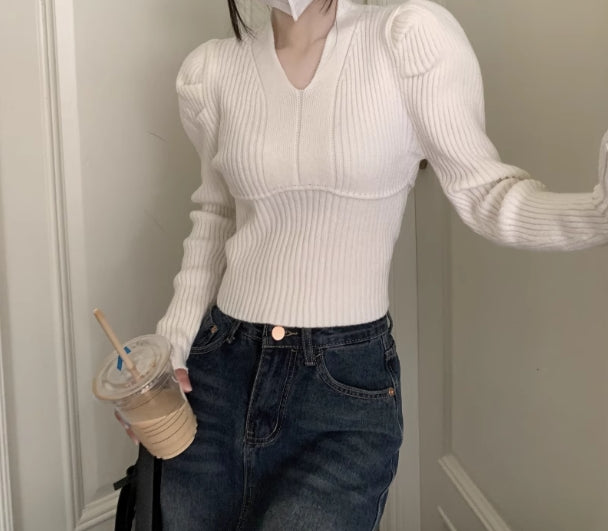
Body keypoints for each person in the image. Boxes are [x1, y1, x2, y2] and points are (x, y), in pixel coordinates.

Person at [116, 0, 608, 528]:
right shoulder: (212, 70)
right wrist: (169, 350)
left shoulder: (406, 39)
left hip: (342, 387)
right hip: (219, 372)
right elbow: (215, 215)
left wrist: (596, 216)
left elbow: (485, 192)